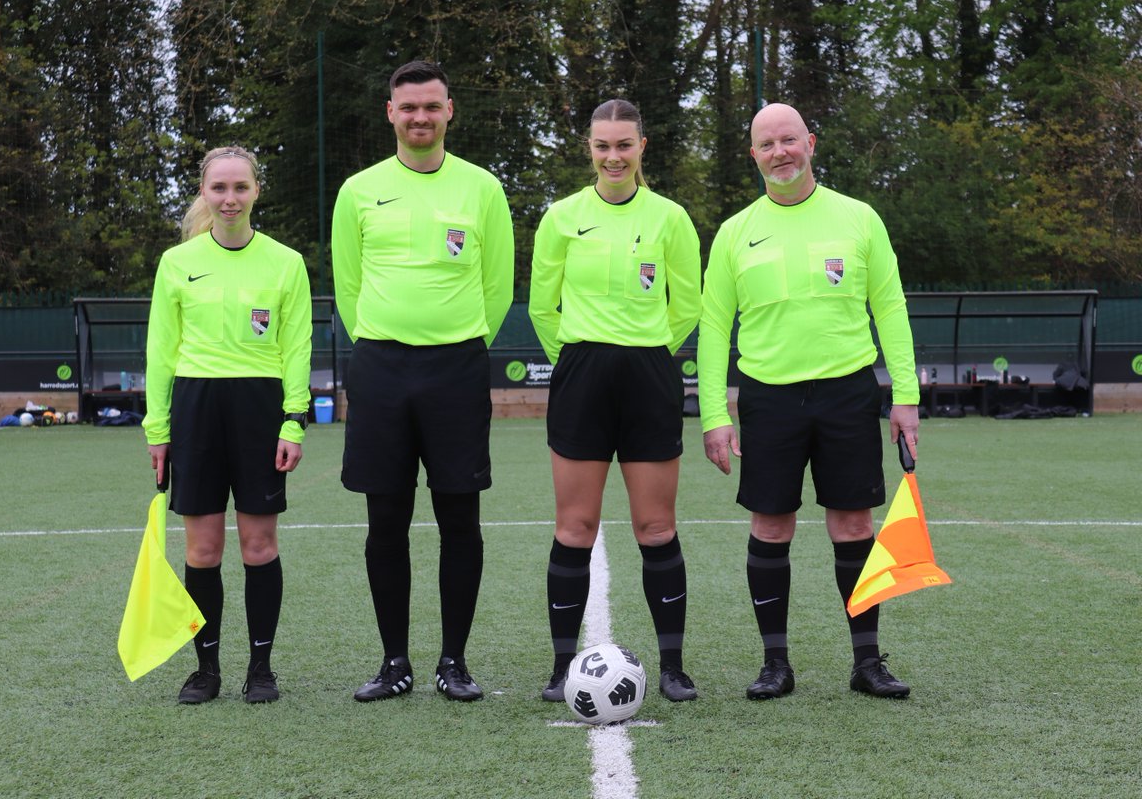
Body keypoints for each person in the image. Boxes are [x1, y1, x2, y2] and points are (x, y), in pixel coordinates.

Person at [698, 103, 921, 700]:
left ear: (811, 143)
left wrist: (906, 397)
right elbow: (715, 328)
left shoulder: (859, 219)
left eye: (789, 140)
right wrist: (715, 416)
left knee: (853, 523)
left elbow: (890, 308)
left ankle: (867, 662)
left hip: (848, 392)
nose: (780, 153)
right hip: (768, 398)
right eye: (767, 144)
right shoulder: (734, 233)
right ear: (754, 155)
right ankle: (776, 663)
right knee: (771, 527)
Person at [331, 61, 514, 702]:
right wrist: (386, 343)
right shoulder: (358, 190)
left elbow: (497, 286)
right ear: (391, 113)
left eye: (431, 106)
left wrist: (458, 342)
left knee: (460, 516)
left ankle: (453, 663)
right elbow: (349, 287)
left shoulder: (483, 189)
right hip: (380, 370)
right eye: (408, 107)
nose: (420, 118)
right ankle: (394, 663)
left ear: (449, 110)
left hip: (457, 368)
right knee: (386, 519)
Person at [529, 99, 702, 703]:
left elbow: (686, 307)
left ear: (641, 148)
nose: (613, 156)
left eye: (624, 145)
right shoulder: (560, 217)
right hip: (581, 374)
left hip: (649, 373)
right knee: (574, 526)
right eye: (603, 146)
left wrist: (646, 352)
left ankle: (674, 667)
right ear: (590, 150)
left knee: (656, 526)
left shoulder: (671, 219)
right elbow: (542, 307)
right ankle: (558, 669)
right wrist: (577, 358)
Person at [142, 145, 313, 704]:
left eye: (240, 187)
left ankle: (260, 668)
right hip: (195, 412)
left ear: (256, 191)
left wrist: (294, 421)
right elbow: (161, 353)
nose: (230, 198)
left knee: (259, 546)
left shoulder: (285, 263)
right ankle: (206, 669)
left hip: (261, 412)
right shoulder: (177, 262)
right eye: (219, 188)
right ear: (205, 193)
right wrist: (158, 429)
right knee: (203, 549)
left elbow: (296, 347)